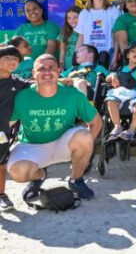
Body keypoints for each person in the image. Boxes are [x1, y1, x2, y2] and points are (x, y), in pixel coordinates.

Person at [8, 54, 102, 201]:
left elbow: (96, 122)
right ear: (34, 73)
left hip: (63, 144)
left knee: (85, 136)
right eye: (41, 69)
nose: (46, 72)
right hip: (32, 146)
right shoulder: (22, 96)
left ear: (59, 71)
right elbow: (7, 123)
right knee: (18, 173)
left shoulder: (73, 94)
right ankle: (39, 176)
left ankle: (76, 180)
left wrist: (87, 150)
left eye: (51, 68)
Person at [0, 46, 31, 211]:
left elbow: (35, 85)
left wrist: (63, 81)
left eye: (15, 59)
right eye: (7, 58)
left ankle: (1, 195)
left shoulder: (17, 82)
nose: (12, 61)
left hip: (2, 133)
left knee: (0, 164)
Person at [75, 0, 120, 70]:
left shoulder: (114, 11)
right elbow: (81, 38)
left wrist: (115, 57)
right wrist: (75, 56)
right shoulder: (84, 13)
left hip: (108, 54)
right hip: (88, 56)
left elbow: (117, 37)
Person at [59, 5, 82, 71]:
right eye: (69, 18)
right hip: (67, 69)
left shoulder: (85, 34)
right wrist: (62, 69)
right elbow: (62, 53)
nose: (72, 20)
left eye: (75, 17)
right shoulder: (65, 33)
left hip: (81, 69)